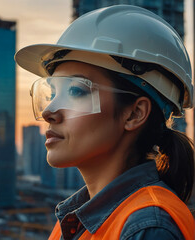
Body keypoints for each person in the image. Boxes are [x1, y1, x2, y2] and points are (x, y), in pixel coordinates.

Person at [15, 5, 195, 240]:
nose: (49, 111)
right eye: (52, 94)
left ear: (134, 114)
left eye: (77, 92)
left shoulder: (147, 229)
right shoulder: (77, 220)